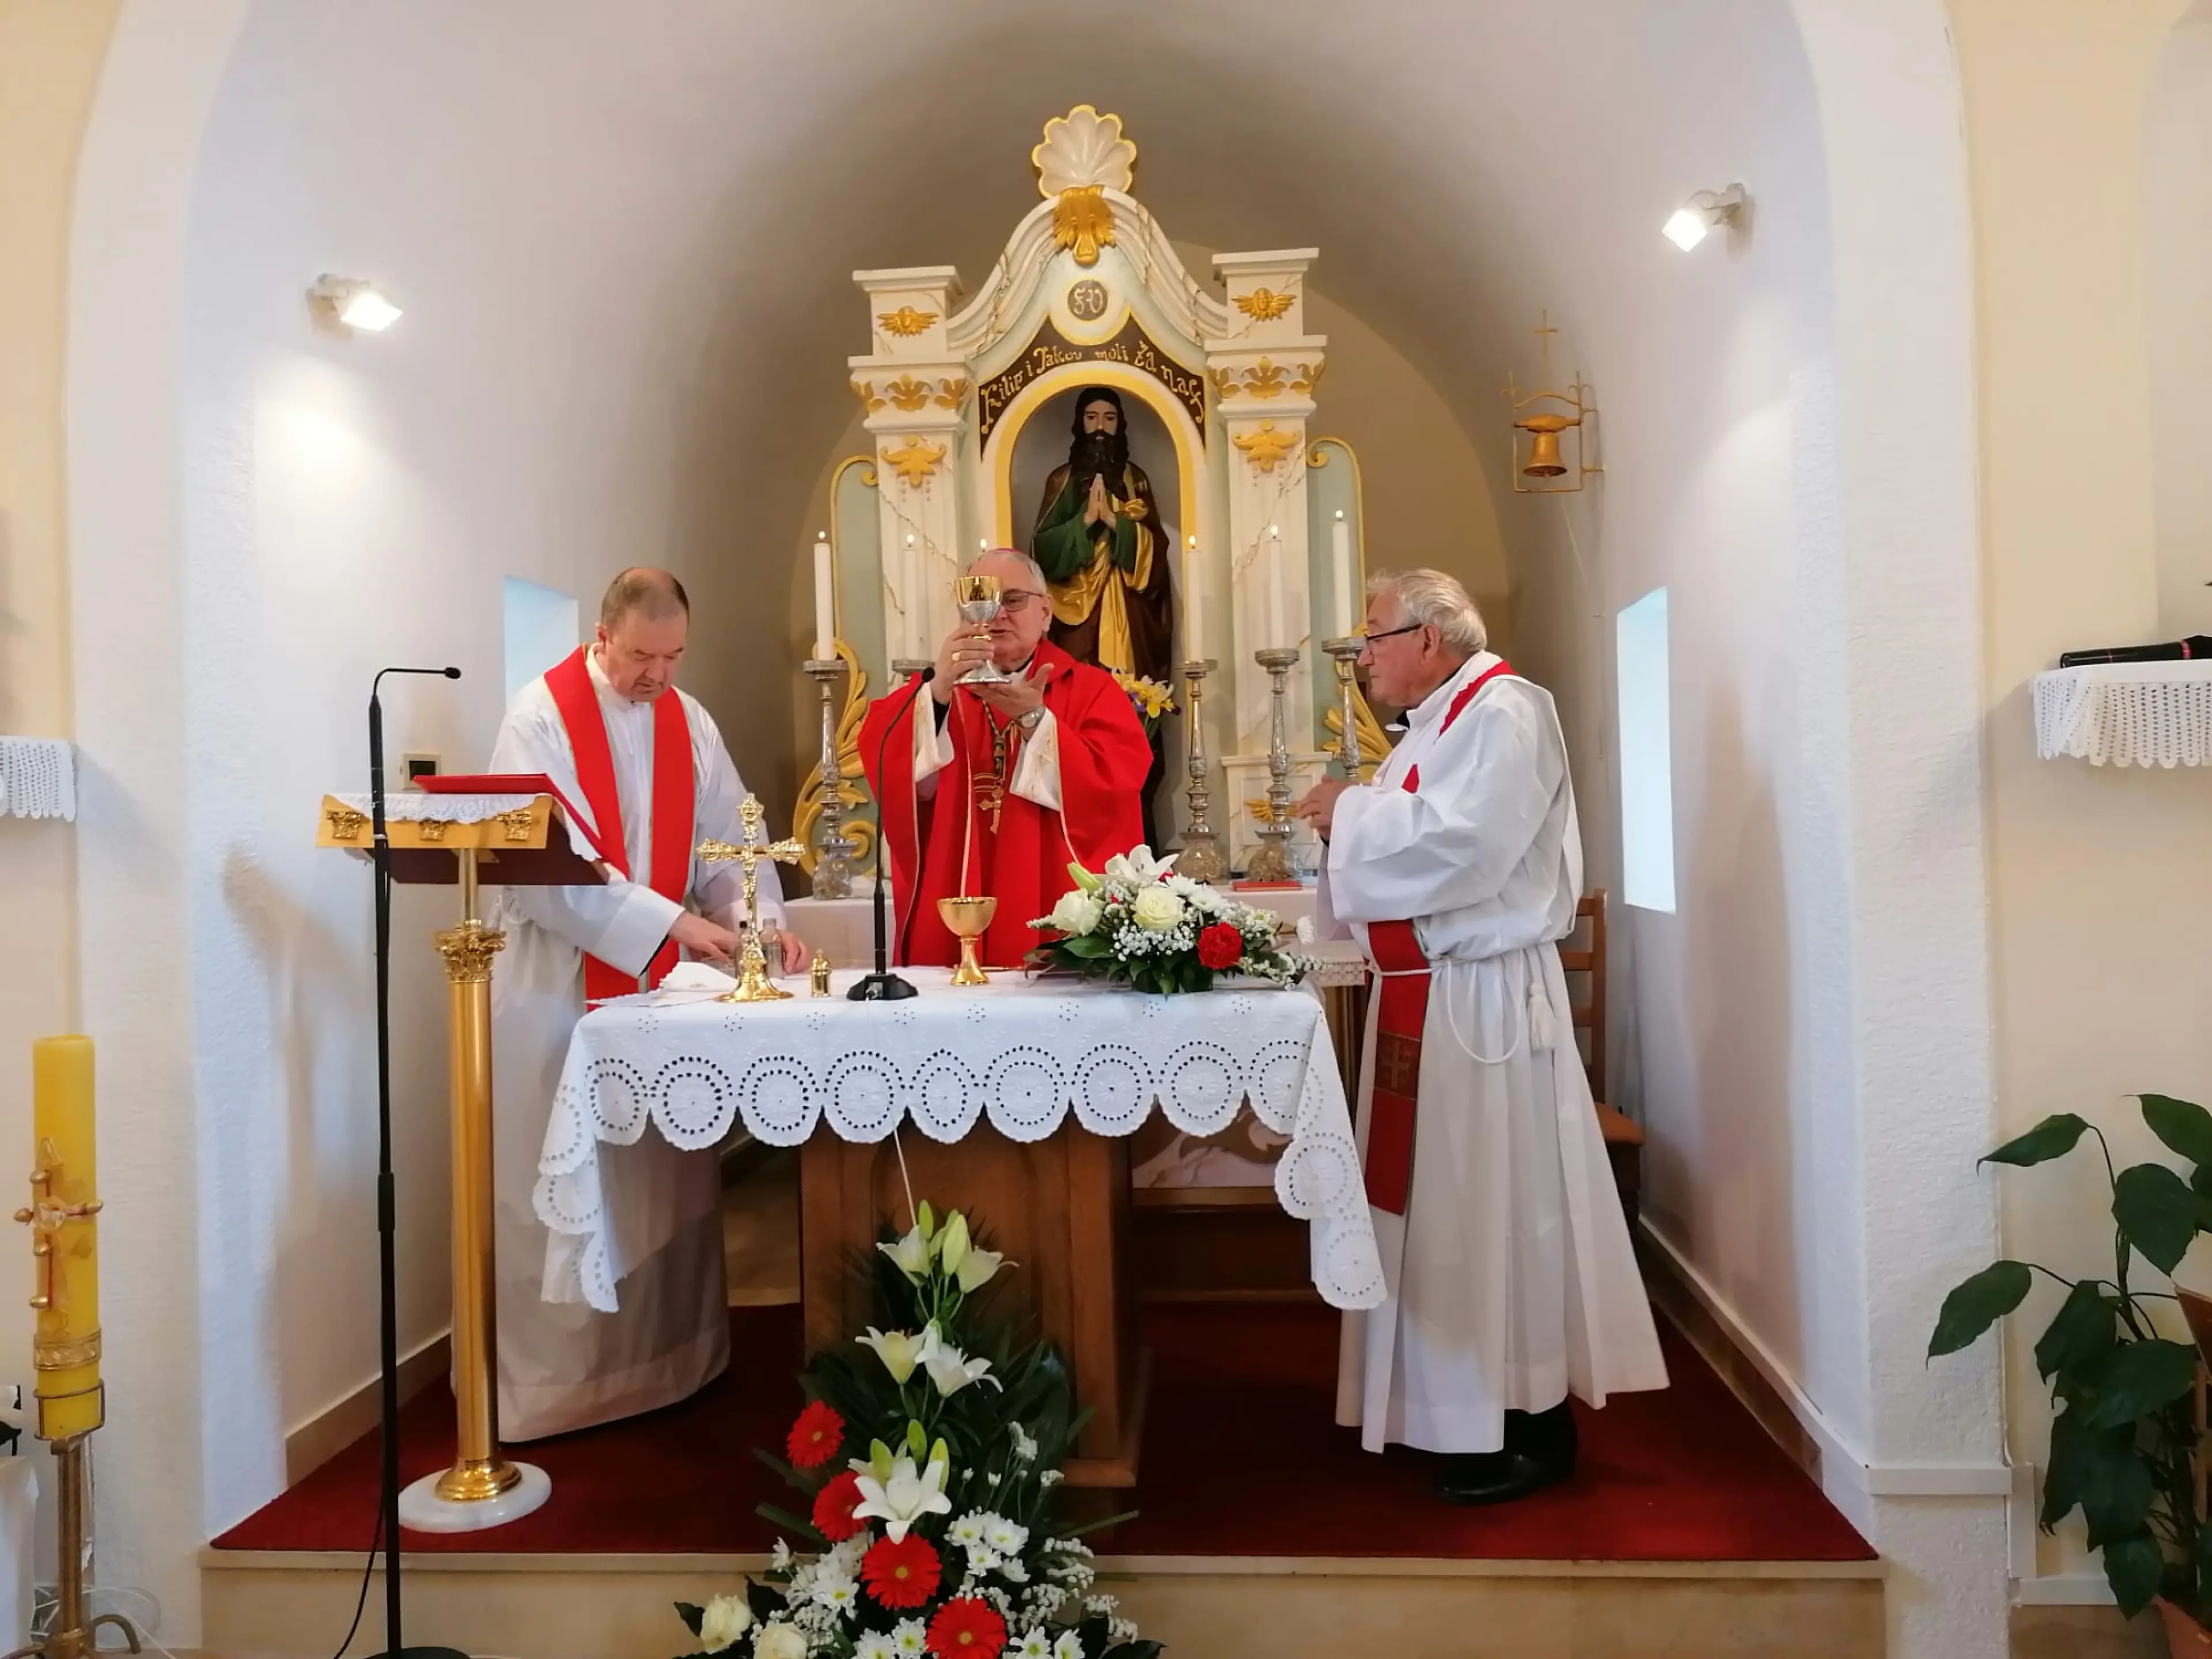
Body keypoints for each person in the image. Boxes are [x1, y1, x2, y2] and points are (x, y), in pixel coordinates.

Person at [1294, 567, 1666, 1504]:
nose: (1362, 655)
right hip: (1428, 997)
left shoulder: (1507, 710)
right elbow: (1413, 845)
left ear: (1428, 639)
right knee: (1440, 1212)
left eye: (1374, 634)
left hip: (1483, 1002)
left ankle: (1532, 1425)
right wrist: (1353, 818)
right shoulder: (1434, 727)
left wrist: (1349, 811)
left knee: (1498, 1205)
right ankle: (1448, 1409)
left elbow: (1469, 847)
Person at [488, 567, 807, 1440]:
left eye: (673, 658)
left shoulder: (687, 720)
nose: (657, 676)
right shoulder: (539, 719)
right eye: (641, 657)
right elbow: (547, 872)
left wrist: (754, 925)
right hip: (559, 986)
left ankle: (675, 1361)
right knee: (567, 1172)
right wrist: (671, 924)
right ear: (602, 637)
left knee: (661, 1172)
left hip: (659, 987)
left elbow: (731, 842)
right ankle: (561, 1388)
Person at [861, 547, 1151, 970]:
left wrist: (1036, 721)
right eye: (980, 602)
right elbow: (893, 766)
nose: (995, 616)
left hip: (1049, 893)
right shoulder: (938, 693)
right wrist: (937, 694)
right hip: (953, 896)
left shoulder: (1092, 691)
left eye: (1012, 600)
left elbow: (1112, 786)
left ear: (1046, 612)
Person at [1029, 387, 1174, 847]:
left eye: (1109, 419)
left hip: (1127, 612)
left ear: (1120, 426)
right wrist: (1086, 523)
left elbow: (1157, 551)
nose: (1099, 428)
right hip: (1076, 619)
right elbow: (1042, 552)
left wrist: (1117, 525)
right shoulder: (1060, 480)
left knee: (1131, 718)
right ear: (1078, 424)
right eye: (1091, 418)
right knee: (1075, 718)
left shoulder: (1135, 479)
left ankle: (1137, 828)